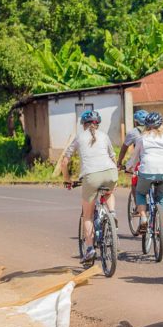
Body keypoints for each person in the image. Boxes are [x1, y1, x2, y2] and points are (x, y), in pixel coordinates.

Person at [61, 109, 118, 264]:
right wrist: (114, 177)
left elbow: (64, 162)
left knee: (88, 215)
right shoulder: (105, 136)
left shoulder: (79, 137)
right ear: (97, 124)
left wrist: (67, 179)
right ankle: (112, 215)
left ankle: (90, 249)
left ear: (83, 124)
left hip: (91, 176)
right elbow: (113, 159)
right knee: (109, 192)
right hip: (111, 173)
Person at [126, 111, 163, 239]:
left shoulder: (141, 138)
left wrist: (128, 167)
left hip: (147, 171)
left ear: (146, 125)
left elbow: (134, 157)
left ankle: (143, 217)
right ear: (161, 125)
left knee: (140, 193)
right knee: (162, 197)